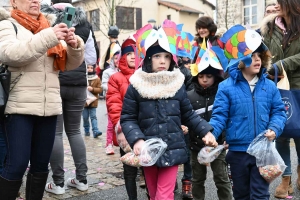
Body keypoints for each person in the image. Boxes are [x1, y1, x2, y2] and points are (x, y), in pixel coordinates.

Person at [120, 22, 218, 200]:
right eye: (157, 56)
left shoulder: (176, 83)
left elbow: (188, 114)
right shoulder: (137, 85)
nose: (162, 60)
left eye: (166, 56)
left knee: (164, 196)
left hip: (172, 149)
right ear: (149, 58)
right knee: (154, 193)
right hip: (147, 150)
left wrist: (206, 131)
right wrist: (137, 140)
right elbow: (128, 117)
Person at [0, 0, 84, 198]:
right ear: (13, 1)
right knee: (17, 164)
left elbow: (69, 65)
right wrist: (49, 36)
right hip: (19, 107)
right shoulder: (7, 23)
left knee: (40, 165)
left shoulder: (47, 26)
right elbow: (10, 54)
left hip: (49, 107)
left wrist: (74, 46)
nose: (35, 1)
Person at [206, 35, 287, 199]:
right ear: (240, 60)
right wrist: (211, 133)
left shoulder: (270, 86)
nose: (257, 60)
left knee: (260, 194)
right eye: (252, 56)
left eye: (260, 56)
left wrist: (274, 128)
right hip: (237, 152)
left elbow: (278, 112)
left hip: (263, 151)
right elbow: (220, 115)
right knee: (241, 194)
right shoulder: (226, 87)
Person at [41, 0, 99, 195]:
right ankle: (81, 179)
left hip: (55, 80)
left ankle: (58, 184)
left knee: (55, 133)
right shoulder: (84, 23)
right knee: (75, 131)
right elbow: (91, 58)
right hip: (78, 83)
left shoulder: (46, 18)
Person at [260, 0, 300, 198]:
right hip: (276, 87)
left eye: (280, 3)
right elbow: (264, 55)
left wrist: (283, 64)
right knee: (281, 134)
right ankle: (286, 178)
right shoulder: (268, 27)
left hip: (299, 86)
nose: (276, 6)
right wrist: (268, 68)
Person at [187, 60, 232, 200]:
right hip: (196, 145)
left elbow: (227, 118)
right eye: (201, 76)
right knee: (197, 179)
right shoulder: (189, 96)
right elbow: (186, 118)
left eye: (208, 76)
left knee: (222, 179)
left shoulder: (222, 94)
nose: (204, 80)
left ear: (215, 77)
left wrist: (226, 138)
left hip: (218, 145)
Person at [106, 37, 140, 200]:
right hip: (126, 131)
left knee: (149, 168)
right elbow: (114, 106)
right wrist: (123, 130)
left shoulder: (144, 75)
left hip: (146, 129)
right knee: (129, 170)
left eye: (135, 53)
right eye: (129, 54)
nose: (133, 56)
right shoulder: (116, 78)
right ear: (123, 57)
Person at [102, 51, 120, 155]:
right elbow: (103, 85)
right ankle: (109, 144)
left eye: (119, 58)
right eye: (115, 58)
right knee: (111, 123)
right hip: (112, 99)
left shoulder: (124, 71)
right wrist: (114, 89)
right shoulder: (107, 72)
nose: (117, 60)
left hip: (123, 99)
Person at [82, 64, 102, 137]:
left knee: (93, 117)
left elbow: (100, 89)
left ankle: (95, 131)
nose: (89, 69)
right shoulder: (83, 77)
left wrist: (92, 89)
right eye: (88, 68)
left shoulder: (97, 78)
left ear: (94, 69)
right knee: (85, 117)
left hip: (93, 101)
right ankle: (86, 131)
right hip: (84, 101)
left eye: (91, 68)